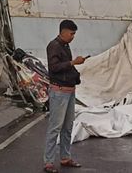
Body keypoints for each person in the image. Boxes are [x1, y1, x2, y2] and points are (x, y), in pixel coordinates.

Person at [43, 20, 85, 173]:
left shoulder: (65, 46)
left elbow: (66, 66)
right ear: (63, 31)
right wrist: (73, 62)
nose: (73, 37)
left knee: (68, 127)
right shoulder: (54, 45)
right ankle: (48, 162)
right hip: (59, 92)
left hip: (69, 90)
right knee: (55, 127)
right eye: (72, 33)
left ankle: (65, 157)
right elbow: (54, 68)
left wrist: (75, 72)